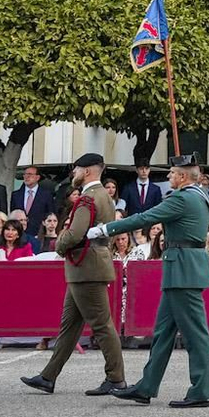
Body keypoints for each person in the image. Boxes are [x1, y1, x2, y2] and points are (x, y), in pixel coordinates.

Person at [88, 154, 209, 408]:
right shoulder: (199, 195)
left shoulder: (183, 198)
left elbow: (145, 218)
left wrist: (106, 229)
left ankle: (202, 390)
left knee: (195, 335)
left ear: (182, 177)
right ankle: (146, 386)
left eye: (171, 173)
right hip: (181, 269)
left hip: (183, 270)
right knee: (162, 333)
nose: (168, 177)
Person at [19, 152, 126, 398]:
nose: (74, 174)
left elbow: (75, 232)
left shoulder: (89, 198)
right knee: (69, 326)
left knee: (101, 324)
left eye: (76, 169)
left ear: (87, 171)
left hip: (86, 267)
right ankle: (48, 376)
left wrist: (59, 244)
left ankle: (116, 378)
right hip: (88, 266)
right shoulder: (104, 197)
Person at [12, 165, 56, 230]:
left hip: (39, 232)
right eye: (25, 174)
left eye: (29, 174)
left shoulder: (46, 195)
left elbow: (50, 214)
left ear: (37, 177)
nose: (26, 177)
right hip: (19, 232)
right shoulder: (16, 195)